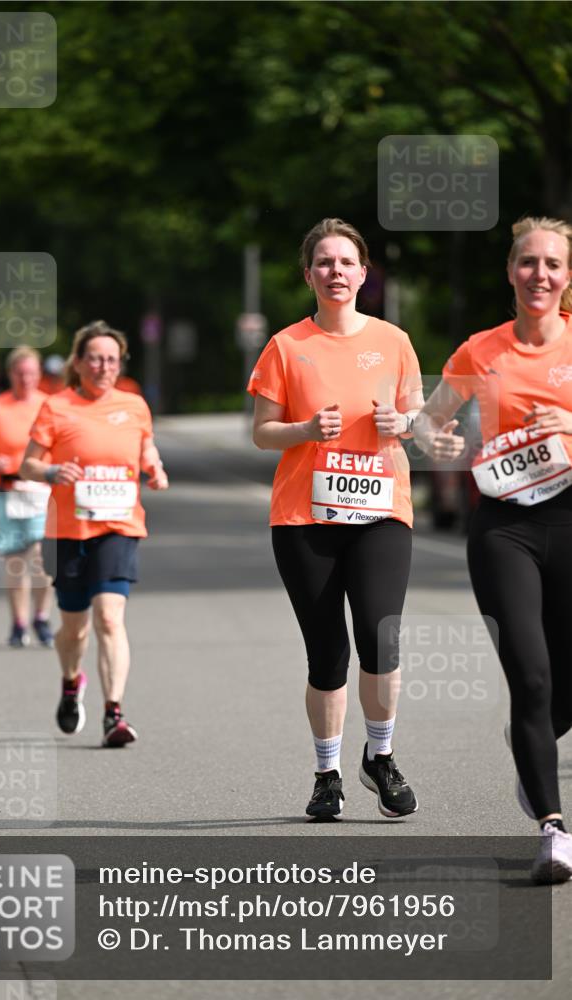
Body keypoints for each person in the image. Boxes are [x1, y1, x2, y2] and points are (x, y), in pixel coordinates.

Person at [247, 218, 424, 820]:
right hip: (305, 515)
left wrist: (402, 424)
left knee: (380, 636)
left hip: (380, 509)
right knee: (327, 652)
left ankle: (381, 756)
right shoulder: (286, 346)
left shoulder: (394, 340)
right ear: (308, 275)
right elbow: (261, 432)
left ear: (363, 272)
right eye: (324, 262)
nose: (336, 272)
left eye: (346, 262)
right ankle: (327, 774)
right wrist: (302, 429)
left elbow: (416, 413)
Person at [414, 216, 572, 884]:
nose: (539, 275)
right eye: (527, 263)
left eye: (552, 265)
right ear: (510, 273)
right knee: (530, 677)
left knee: (554, 687)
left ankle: (527, 737)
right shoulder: (481, 349)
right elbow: (428, 419)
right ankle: (553, 830)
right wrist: (436, 442)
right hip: (504, 523)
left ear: (567, 278)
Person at [19, 320, 168, 747]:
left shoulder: (135, 405)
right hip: (65, 529)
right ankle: (70, 681)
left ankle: (113, 713)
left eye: (112, 359)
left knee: (108, 616)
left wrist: (153, 468)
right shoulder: (56, 406)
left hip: (119, 525)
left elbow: (146, 447)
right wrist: (50, 470)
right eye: (96, 358)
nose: (104, 366)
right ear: (79, 363)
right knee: (74, 628)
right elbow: (28, 464)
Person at [0, 346, 54, 648]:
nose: (26, 379)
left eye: (32, 373)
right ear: (11, 374)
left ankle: (42, 617)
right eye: (20, 373)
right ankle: (19, 623)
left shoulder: (50, 406)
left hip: (39, 490)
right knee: (15, 560)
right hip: (5, 490)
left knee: (41, 558)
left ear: (39, 374)